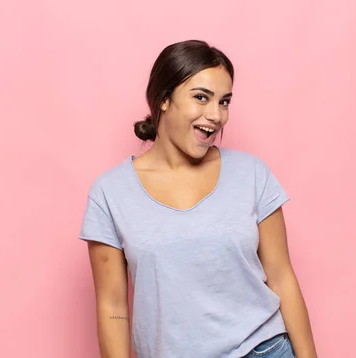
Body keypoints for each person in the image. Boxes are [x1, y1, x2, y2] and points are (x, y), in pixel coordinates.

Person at [79, 39, 318, 358]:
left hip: (264, 350)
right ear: (164, 99)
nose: (216, 115)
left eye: (224, 102)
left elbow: (281, 277)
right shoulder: (110, 193)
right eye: (201, 97)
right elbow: (112, 307)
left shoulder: (252, 174)